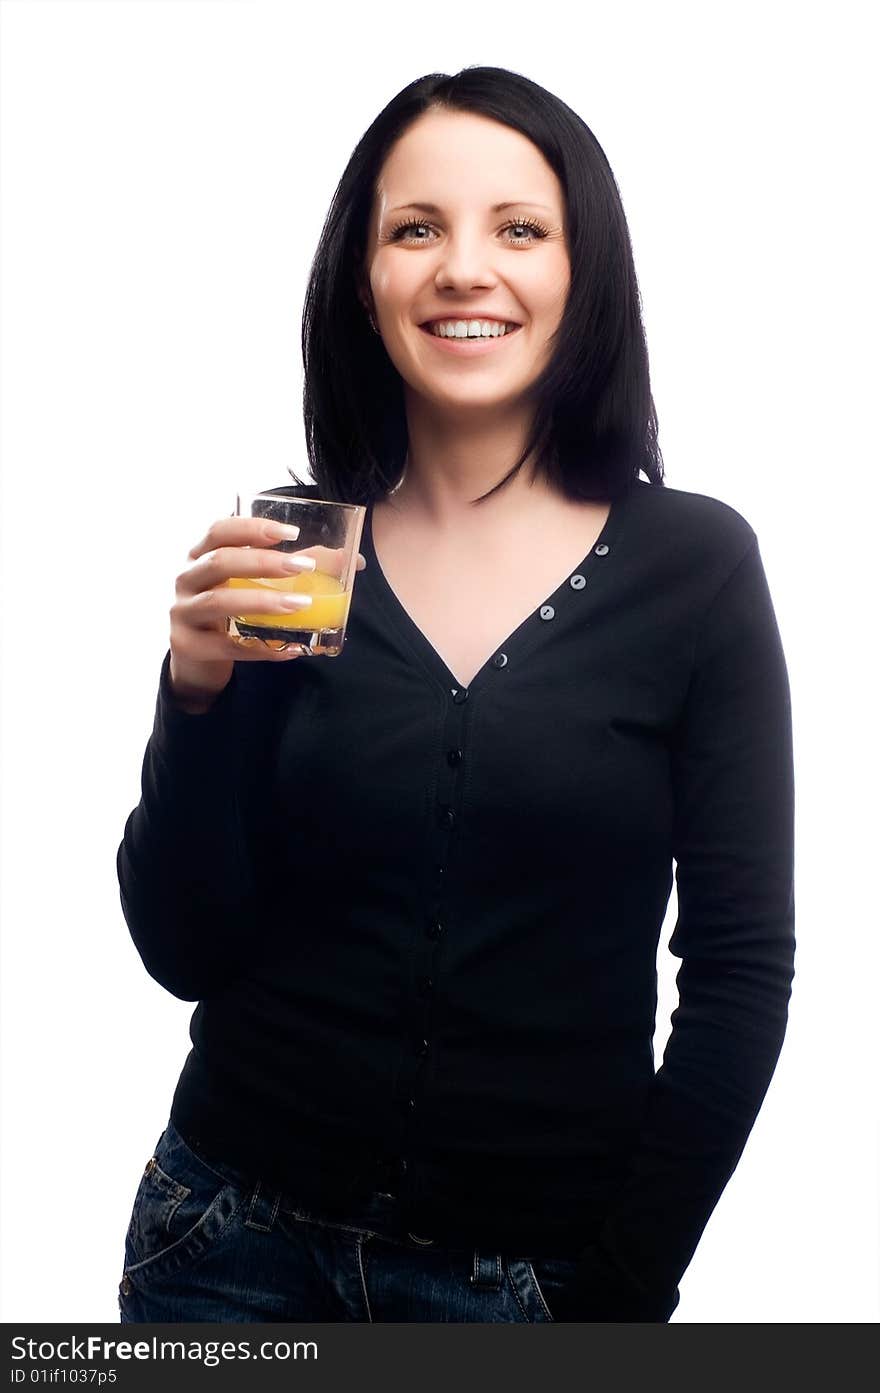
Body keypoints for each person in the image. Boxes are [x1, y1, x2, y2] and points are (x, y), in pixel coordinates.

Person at [116, 65, 795, 1324]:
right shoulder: (291, 561)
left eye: (518, 229)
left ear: (582, 273)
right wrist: (194, 698)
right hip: (223, 1251)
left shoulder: (695, 568)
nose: (462, 268)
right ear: (361, 279)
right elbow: (184, 948)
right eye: (414, 228)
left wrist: (622, 1288)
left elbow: (741, 973)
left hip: (526, 1285)